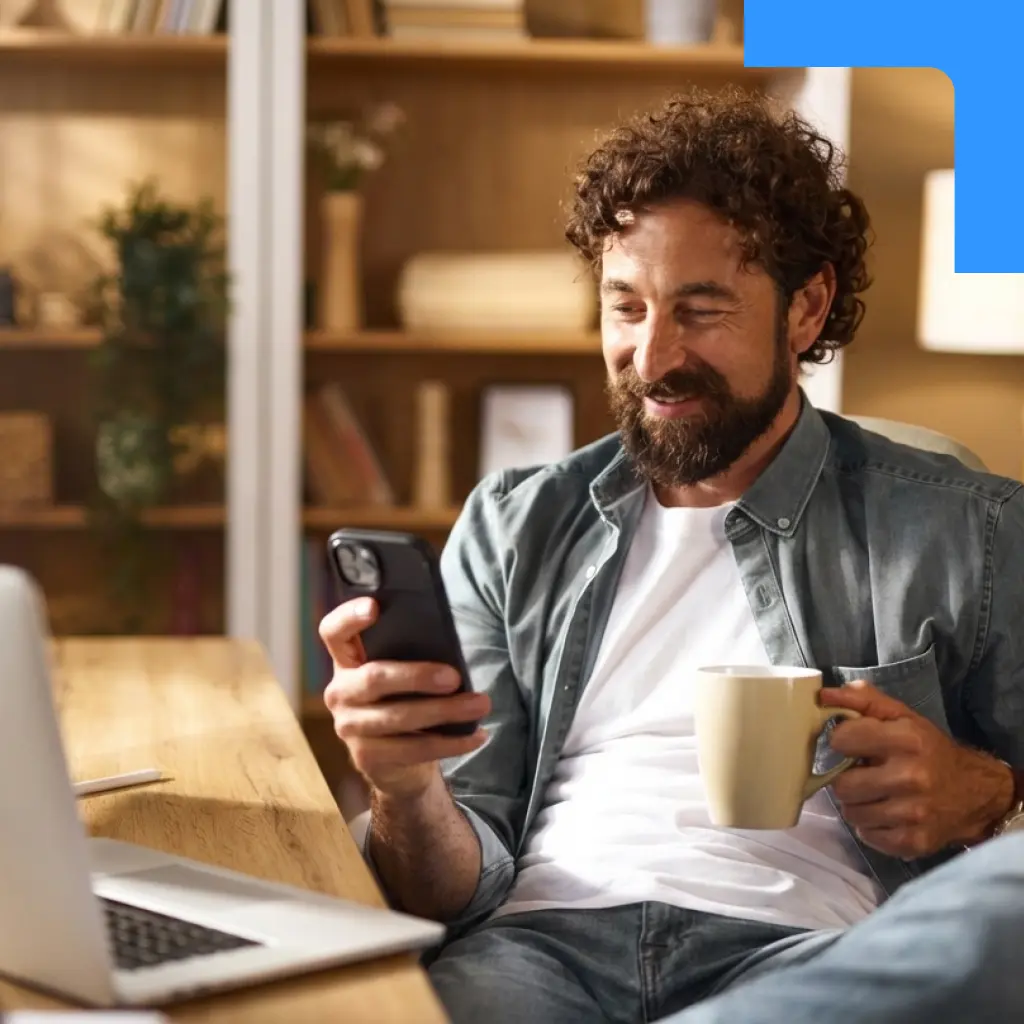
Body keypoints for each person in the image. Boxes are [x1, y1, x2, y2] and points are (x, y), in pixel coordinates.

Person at [319, 87, 1024, 1024]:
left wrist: (988, 790)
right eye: (626, 307)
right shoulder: (514, 526)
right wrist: (401, 786)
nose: (652, 357)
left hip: (809, 955)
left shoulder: (965, 527)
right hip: (542, 948)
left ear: (806, 308)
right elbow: (444, 890)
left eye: (700, 310)